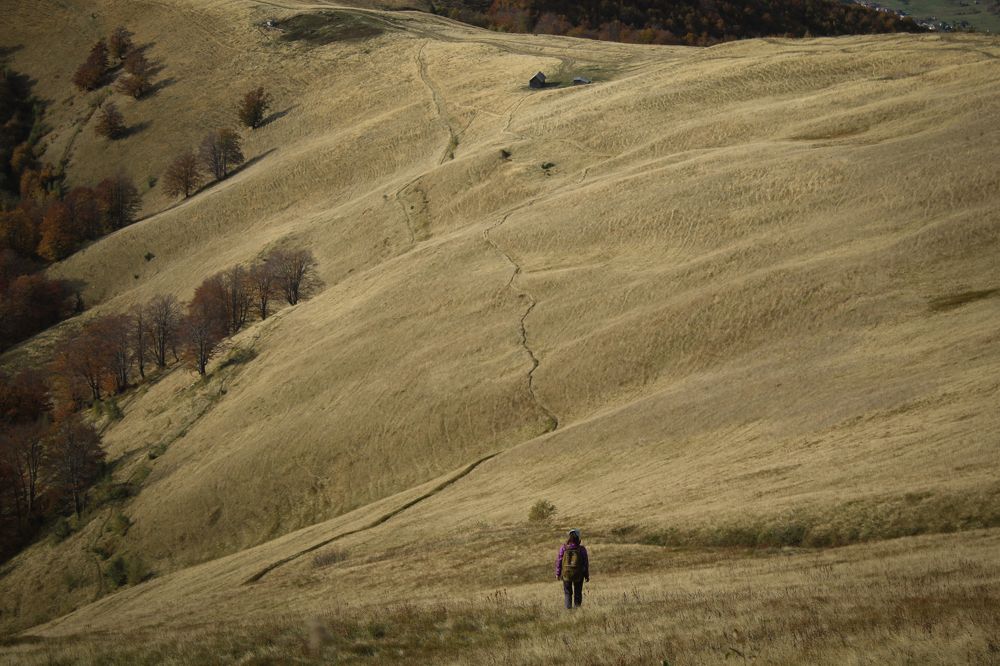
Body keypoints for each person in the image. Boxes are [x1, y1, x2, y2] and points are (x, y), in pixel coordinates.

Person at [555, 528, 589, 609]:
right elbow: (585, 563)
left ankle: (568, 611)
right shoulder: (582, 549)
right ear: (578, 538)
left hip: (566, 574)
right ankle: (577, 611)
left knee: (567, 593)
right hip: (578, 574)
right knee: (578, 593)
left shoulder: (563, 548)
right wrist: (586, 575)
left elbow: (559, 561)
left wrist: (558, 573)